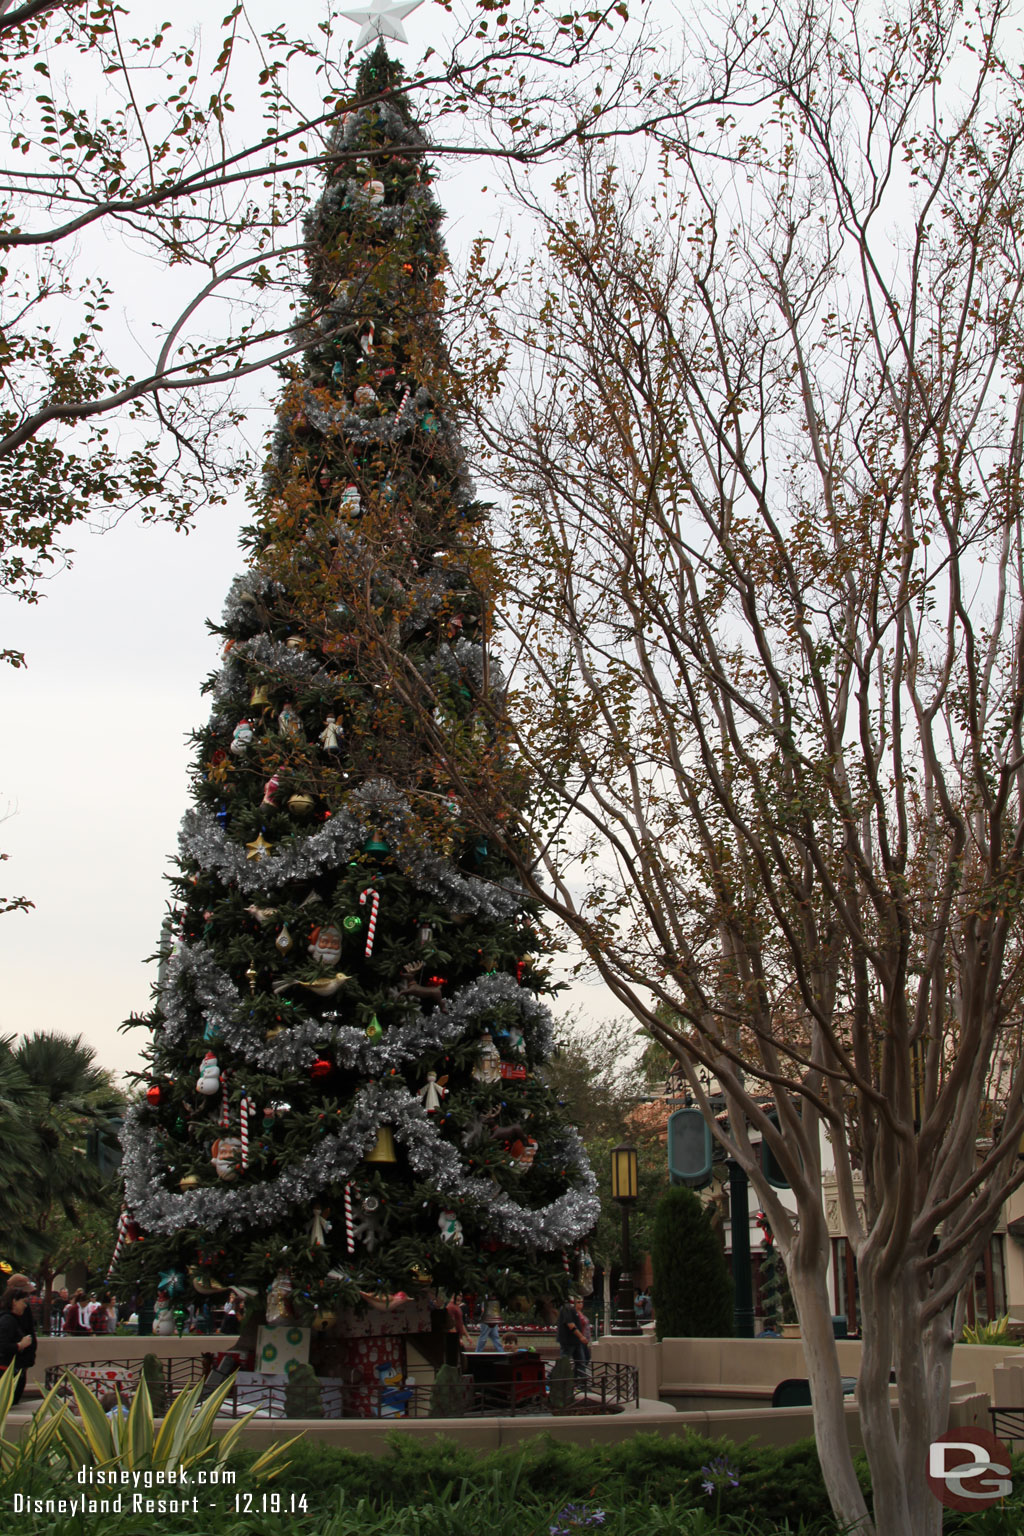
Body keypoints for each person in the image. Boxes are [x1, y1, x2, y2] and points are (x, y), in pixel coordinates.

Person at [0, 1287, 34, 1403]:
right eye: (23, 1302)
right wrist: (20, 1345)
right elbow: (2, 1346)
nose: (25, 1306)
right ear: (14, 1301)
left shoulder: (13, 1320)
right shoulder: (7, 1320)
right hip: (7, 1373)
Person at [8, 1275, 37, 1384]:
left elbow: (30, 1333)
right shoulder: (7, 1317)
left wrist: (28, 1360)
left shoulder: (26, 1309)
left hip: (21, 1361)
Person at [556, 1293, 588, 1381]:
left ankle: (581, 1382)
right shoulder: (567, 1308)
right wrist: (581, 1336)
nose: (580, 1303)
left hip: (576, 1341)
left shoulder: (572, 1309)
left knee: (580, 1362)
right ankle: (553, 1378)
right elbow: (570, 1324)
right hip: (568, 1341)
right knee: (564, 1361)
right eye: (578, 1301)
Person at [445, 1292, 472, 1359]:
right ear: (454, 1295)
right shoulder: (450, 1307)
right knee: (459, 1358)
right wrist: (457, 1338)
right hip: (453, 1339)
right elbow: (451, 1324)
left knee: (460, 1357)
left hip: (457, 1338)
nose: (460, 1298)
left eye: (461, 1296)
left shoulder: (457, 1307)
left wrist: (467, 1336)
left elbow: (461, 1323)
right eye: (459, 1295)